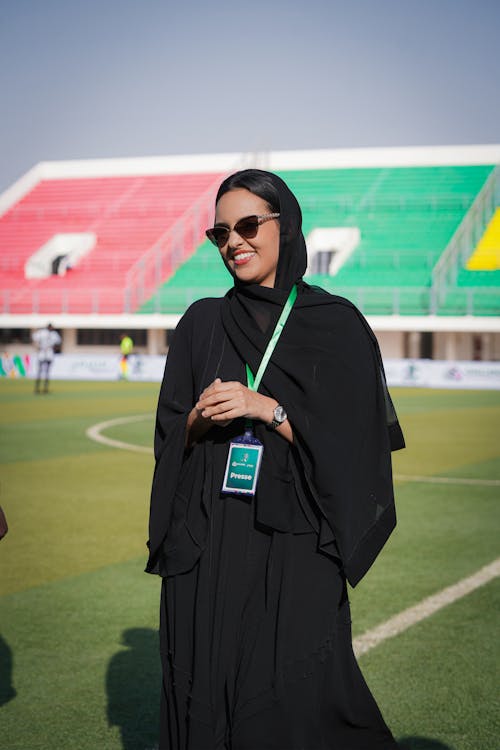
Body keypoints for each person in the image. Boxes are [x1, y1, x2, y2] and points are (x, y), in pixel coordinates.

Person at [146, 169, 405, 750]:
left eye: (248, 225)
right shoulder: (200, 322)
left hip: (294, 543)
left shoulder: (334, 325)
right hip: (209, 540)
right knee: (207, 683)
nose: (234, 242)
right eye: (220, 233)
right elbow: (168, 433)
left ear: (285, 227)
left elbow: (355, 442)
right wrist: (196, 419)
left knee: (295, 694)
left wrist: (269, 408)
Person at [32, 323, 61, 394]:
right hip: (45, 352)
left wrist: (38, 346)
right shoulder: (50, 333)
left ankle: (43, 388)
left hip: (46, 352)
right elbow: (58, 342)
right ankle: (38, 388)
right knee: (42, 372)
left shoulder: (44, 332)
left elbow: (34, 338)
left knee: (45, 372)